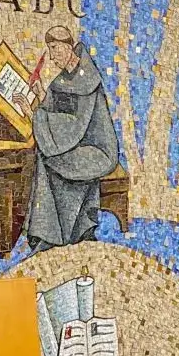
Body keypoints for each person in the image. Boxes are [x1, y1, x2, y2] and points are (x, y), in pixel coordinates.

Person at [25, 25, 120, 252]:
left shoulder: (87, 80)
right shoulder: (65, 78)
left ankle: (57, 233)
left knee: (50, 160)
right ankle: (58, 230)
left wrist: (35, 115)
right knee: (46, 156)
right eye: (49, 49)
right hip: (77, 143)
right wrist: (42, 96)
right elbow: (62, 110)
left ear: (68, 47)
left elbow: (74, 126)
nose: (52, 56)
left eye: (55, 48)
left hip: (97, 150)